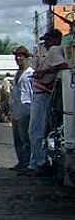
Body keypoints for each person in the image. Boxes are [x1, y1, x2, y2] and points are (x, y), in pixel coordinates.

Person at [24, 29, 68, 176]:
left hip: (43, 94)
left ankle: (40, 163)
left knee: (35, 130)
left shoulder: (55, 50)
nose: (46, 43)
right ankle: (36, 162)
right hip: (41, 93)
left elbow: (63, 66)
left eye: (48, 40)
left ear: (55, 39)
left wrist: (44, 72)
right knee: (37, 130)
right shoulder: (51, 51)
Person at [9, 46, 34, 171]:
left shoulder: (30, 74)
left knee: (26, 139)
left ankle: (27, 163)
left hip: (26, 109)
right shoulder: (17, 74)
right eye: (17, 56)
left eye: (21, 56)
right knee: (17, 139)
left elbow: (33, 92)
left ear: (26, 57)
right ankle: (21, 162)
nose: (18, 58)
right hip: (16, 110)